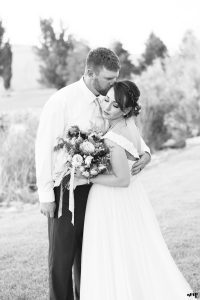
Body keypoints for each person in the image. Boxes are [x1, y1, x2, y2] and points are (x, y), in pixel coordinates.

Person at [35, 48, 151, 300]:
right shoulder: (62, 101)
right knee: (62, 256)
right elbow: (43, 147)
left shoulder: (108, 99)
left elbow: (123, 126)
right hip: (67, 189)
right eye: (109, 79)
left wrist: (146, 152)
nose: (114, 84)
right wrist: (46, 194)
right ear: (90, 72)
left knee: (89, 255)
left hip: (99, 190)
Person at [74, 80, 195, 300]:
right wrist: (146, 155)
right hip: (131, 200)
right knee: (131, 247)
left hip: (112, 199)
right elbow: (139, 146)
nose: (107, 107)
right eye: (107, 100)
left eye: (115, 106)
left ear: (127, 109)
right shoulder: (130, 124)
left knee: (114, 249)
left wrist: (89, 177)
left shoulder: (113, 140)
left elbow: (122, 180)